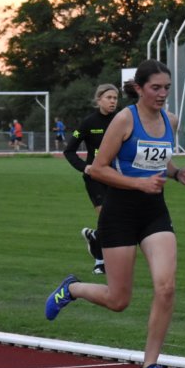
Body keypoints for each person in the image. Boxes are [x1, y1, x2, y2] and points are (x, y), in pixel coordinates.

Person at [45, 60, 185, 368]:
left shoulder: (171, 120)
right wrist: (139, 183)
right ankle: (72, 289)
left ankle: (150, 366)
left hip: (154, 213)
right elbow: (98, 168)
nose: (162, 94)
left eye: (167, 88)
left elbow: (161, 159)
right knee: (118, 300)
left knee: (166, 287)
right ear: (139, 88)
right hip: (119, 214)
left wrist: (176, 173)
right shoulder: (124, 119)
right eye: (156, 87)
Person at [62, 84, 119, 274]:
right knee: (107, 217)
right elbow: (69, 150)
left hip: (117, 177)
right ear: (98, 99)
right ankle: (100, 260)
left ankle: (95, 237)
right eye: (109, 97)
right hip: (95, 178)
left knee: (116, 219)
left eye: (115, 98)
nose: (113, 101)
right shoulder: (88, 123)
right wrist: (84, 167)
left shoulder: (121, 120)